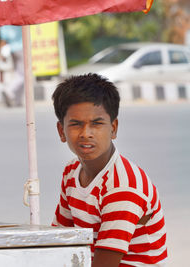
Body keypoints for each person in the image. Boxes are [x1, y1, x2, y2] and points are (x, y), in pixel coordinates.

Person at [51, 73, 167, 266]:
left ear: (113, 128)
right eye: (76, 124)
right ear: (61, 131)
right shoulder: (72, 171)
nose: (86, 133)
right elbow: (59, 239)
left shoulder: (123, 188)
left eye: (97, 124)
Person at [0, 25, 24, 107]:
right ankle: (9, 91)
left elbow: (3, 39)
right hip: (21, 47)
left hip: (12, 49)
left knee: (18, 73)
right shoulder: (19, 18)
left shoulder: (4, 23)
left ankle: (18, 100)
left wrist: (2, 54)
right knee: (23, 75)